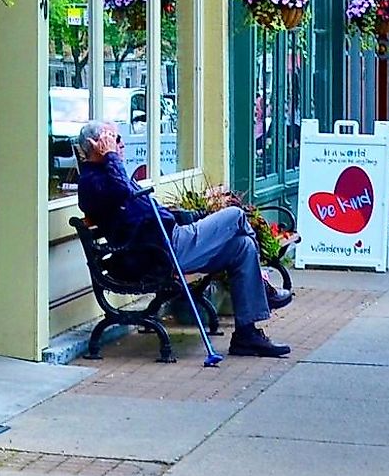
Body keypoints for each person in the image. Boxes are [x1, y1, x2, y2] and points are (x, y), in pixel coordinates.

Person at [71, 120, 292, 357]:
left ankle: (246, 336)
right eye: (114, 140)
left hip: (167, 241)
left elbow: (137, 202)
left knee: (242, 246)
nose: (120, 145)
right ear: (96, 146)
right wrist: (111, 158)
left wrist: (186, 215)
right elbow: (124, 192)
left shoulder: (110, 173)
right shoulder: (92, 182)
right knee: (236, 215)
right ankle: (263, 282)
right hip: (160, 251)